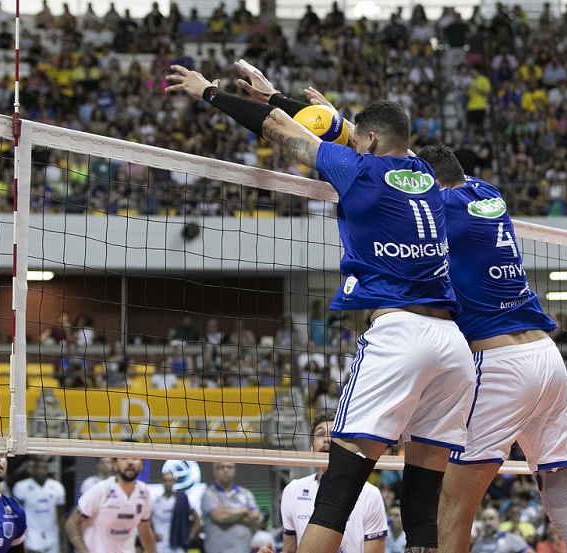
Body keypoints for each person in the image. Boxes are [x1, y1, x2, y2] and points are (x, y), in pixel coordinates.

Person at [167, 60, 476, 553]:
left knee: (336, 490)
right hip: (454, 348)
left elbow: (279, 133)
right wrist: (278, 97)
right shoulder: (420, 169)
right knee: (421, 505)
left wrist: (211, 93)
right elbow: (346, 129)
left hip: (401, 337)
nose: (352, 144)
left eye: (359, 141)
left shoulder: (356, 168)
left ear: (370, 143)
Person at [414, 144, 567, 553]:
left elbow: (387, 171)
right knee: (564, 501)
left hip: (499, 365)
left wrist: (338, 131)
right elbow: (406, 160)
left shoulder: (439, 209)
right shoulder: (487, 193)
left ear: (426, 182)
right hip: (548, 359)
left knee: (453, 505)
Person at [280, 412, 388, 553]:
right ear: (311, 447)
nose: (327, 439)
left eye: (333, 434)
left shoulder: (370, 494)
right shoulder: (293, 490)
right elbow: (289, 551)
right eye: (320, 434)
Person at [65, 457, 156, 553]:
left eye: (134, 458)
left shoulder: (144, 492)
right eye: (124, 458)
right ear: (115, 465)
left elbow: (144, 528)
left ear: (141, 465)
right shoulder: (100, 489)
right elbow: (71, 523)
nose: (130, 462)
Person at [200, 462, 260, 553]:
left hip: (242, 550)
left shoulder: (245, 493)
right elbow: (221, 517)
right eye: (221, 467)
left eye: (229, 467)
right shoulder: (209, 494)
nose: (225, 470)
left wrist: (228, 513)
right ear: (214, 471)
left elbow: (255, 516)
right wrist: (244, 511)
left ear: (234, 470)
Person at [12, 457, 66, 553]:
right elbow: (17, 516)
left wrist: (64, 541)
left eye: (44, 468)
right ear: (33, 470)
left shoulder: (57, 487)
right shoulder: (21, 487)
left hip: (52, 537)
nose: (42, 471)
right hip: (31, 537)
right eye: (39, 468)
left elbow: (61, 516)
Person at [151, 470, 200, 553]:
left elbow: (197, 518)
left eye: (170, 480)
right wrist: (151, 534)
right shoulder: (155, 502)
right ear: (161, 482)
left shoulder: (182, 499)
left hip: (178, 544)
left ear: (174, 481)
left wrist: (190, 536)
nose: (168, 483)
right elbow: (146, 520)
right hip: (160, 545)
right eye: (165, 480)